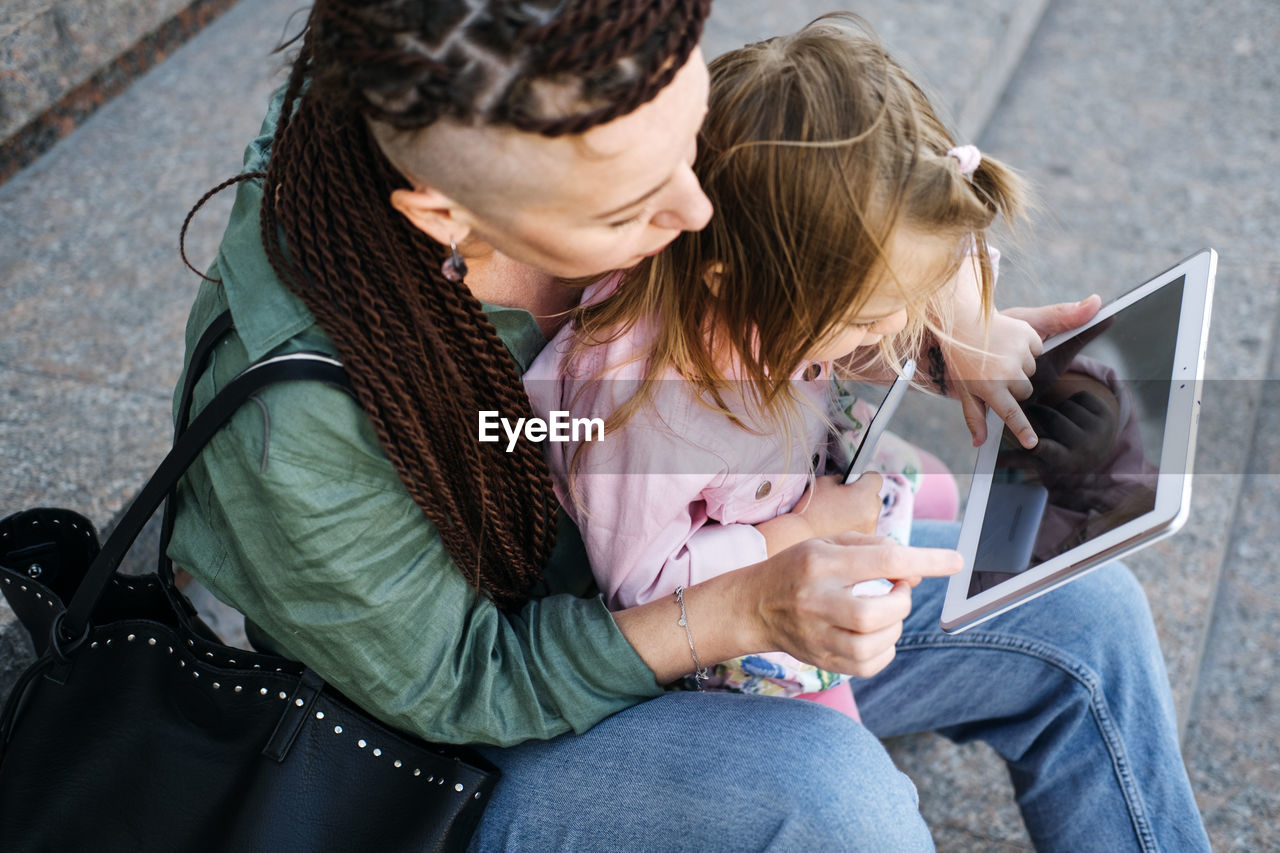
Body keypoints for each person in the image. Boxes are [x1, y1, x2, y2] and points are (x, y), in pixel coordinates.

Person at [169, 2, 1211, 850]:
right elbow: (469, 686)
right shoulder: (292, 428)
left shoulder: (560, 90)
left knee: (1083, 609)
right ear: (447, 220)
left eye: (688, 133)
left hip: (699, 555)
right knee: (833, 801)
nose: (699, 209)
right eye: (629, 208)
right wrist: (749, 599)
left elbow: (782, 225)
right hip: (470, 746)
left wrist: (917, 323)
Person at [522, 21, 1039, 721]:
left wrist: (971, 323)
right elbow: (644, 587)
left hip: (784, 464)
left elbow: (910, 253)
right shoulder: (648, 408)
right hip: (732, 606)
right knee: (838, 735)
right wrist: (799, 530)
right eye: (865, 318)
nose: (892, 330)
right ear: (729, 281)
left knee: (937, 489)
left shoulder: (768, 276)